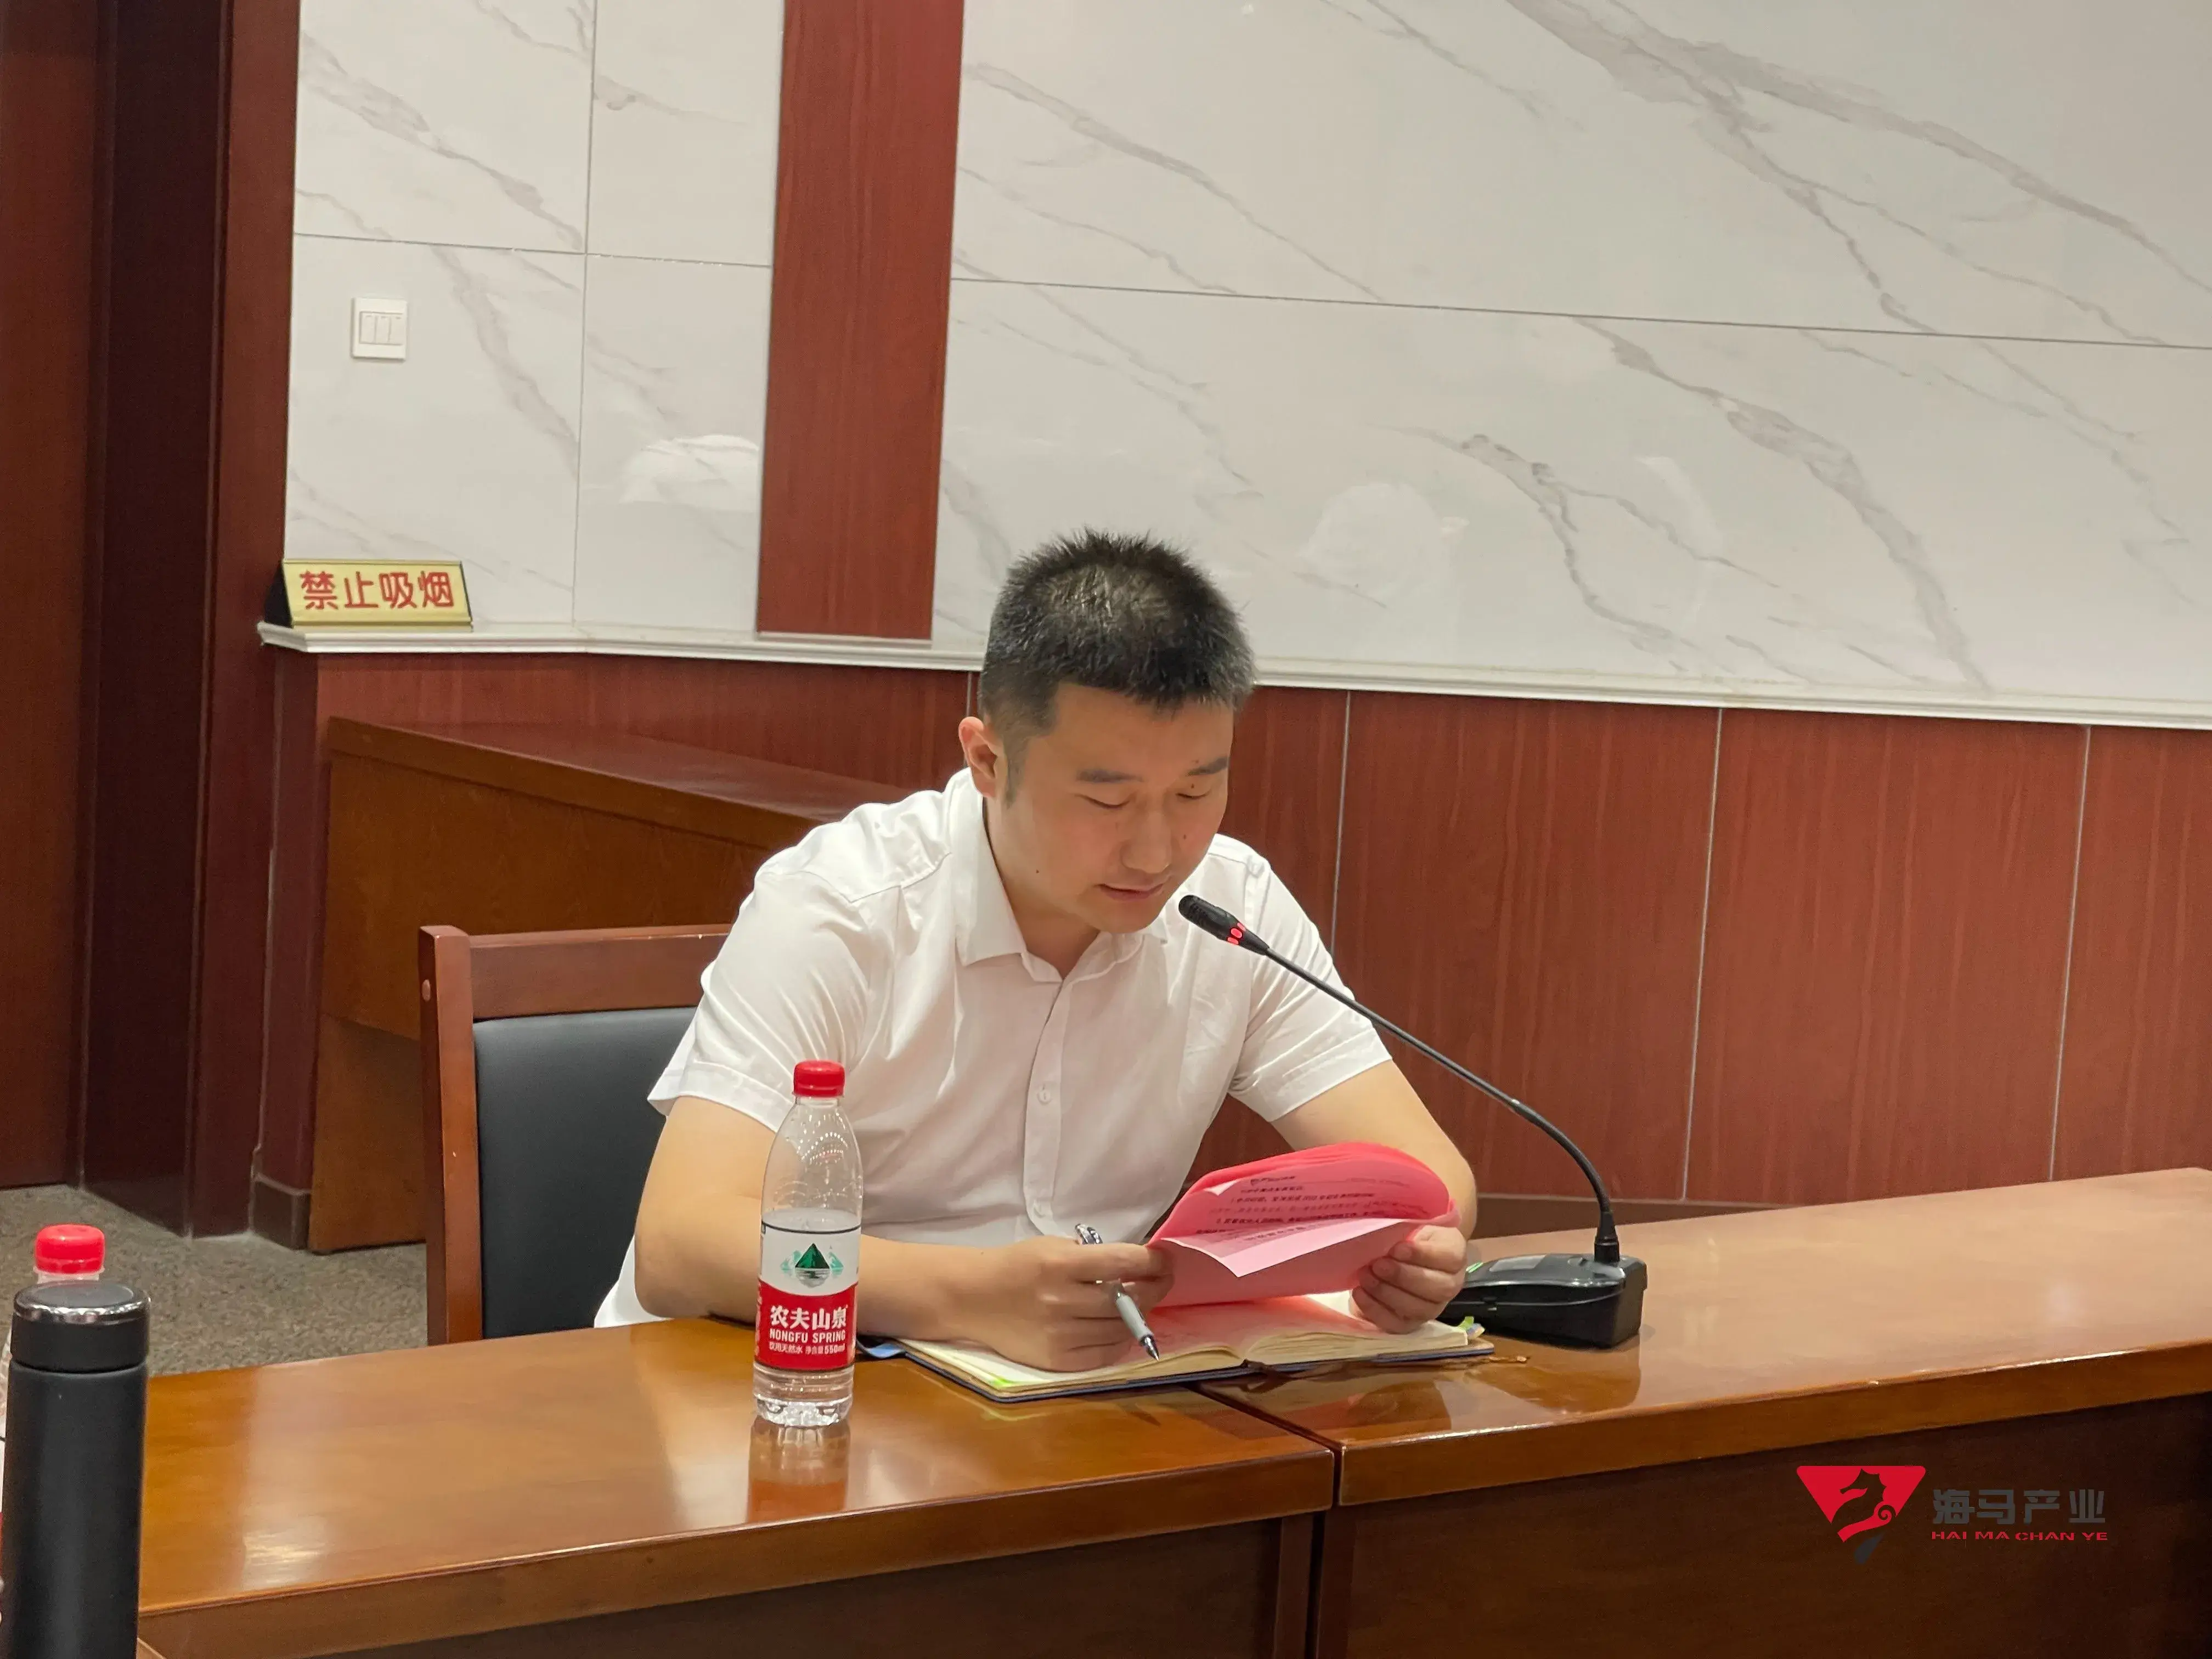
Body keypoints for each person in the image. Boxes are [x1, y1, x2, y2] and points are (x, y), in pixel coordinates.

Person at [596, 529, 1476, 1369]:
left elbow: (1431, 1181)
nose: (1156, 852)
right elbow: (683, 1242)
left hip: (1068, 1395)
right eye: (1106, 802)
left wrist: (1418, 1255)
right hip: (777, 1375)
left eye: (1195, 793)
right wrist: (971, 1297)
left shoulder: (1230, 909)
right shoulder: (841, 909)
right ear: (988, 761)